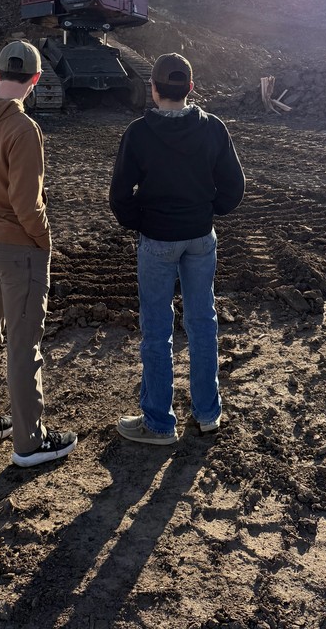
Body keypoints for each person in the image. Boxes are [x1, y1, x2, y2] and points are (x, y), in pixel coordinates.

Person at [109, 52, 245, 445]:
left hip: (157, 241)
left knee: (156, 329)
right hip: (200, 238)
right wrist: (207, 212)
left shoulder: (138, 133)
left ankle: (158, 423)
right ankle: (207, 414)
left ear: (152, 90)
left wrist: (142, 222)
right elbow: (234, 188)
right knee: (203, 322)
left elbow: (119, 195)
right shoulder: (213, 129)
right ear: (190, 88)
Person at [0, 39, 77, 467]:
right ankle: (29, 441)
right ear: (36, 80)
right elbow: (29, 204)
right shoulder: (24, 129)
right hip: (17, 247)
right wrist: (43, 240)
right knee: (24, 343)